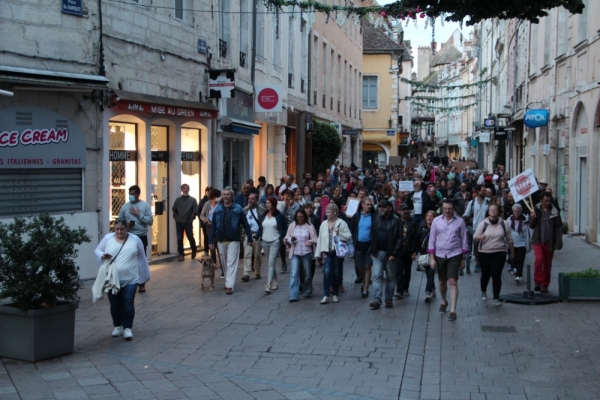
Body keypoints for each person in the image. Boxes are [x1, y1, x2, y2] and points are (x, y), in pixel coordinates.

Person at [94, 219, 151, 340]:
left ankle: (128, 328)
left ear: (127, 228)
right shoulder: (108, 238)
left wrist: (144, 276)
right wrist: (102, 255)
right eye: (117, 229)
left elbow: (142, 258)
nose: (119, 232)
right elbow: (97, 251)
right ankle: (117, 326)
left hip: (131, 278)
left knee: (128, 302)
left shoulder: (135, 239)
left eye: (122, 229)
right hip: (112, 279)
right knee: (115, 304)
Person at [428, 198, 469, 321]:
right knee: (442, 281)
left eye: (449, 209)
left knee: (453, 281)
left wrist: (463, 258)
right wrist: (432, 258)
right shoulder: (436, 221)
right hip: (440, 254)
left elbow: (464, 239)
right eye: (445, 208)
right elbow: (432, 239)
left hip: (454, 253)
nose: (447, 211)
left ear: (454, 208)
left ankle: (453, 309)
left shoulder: (460, 221)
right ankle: (443, 300)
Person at [208, 187, 253, 295]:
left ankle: (229, 285)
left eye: (228, 194)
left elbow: (245, 224)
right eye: (224, 195)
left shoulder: (238, 209)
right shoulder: (218, 209)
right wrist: (210, 241)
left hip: (234, 240)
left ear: (232, 196)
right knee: (224, 263)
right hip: (221, 240)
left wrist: (250, 238)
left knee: (231, 263)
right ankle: (228, 281)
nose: (226, 196)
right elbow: (213, 226)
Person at [473, 204, 515, 306]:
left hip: (499, 252)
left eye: (495, 210)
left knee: (496, 275)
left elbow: (509, 239)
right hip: (485, 253)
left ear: (498, 211)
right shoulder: (483, 224)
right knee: (486, 275)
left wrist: (512, 252)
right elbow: (474, 237)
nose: (493, 211)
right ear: (488, 212)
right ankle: (483, 290)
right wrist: (480, 237)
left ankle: (496, 297)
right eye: (491, 210)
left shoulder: (504, 224)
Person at [118, 185, 153, 293]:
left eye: (133, 194)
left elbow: (150, 221)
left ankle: (141, 284)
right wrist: (126, 225)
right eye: (130, 194)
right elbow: (119, 221)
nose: (131, 196)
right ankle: (127, 282)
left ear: (138, 194)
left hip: (141, 236)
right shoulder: (124, 207)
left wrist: (139, 215)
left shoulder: (145, 205)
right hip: (128, 236)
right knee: (127, 260)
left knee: (141, 261)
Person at [314, 203, 352, 304]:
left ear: (335, 212)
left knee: (336, 272)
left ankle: (335, 294)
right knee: (326, 273)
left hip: (337, 252)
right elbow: (320, 239)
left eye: (329, 212)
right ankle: (326, 295)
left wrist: (339, 232)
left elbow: (348, 236)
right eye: (326, 212)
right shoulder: (323, 224)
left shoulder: (342, 223)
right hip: (326, 252)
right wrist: (318, 253)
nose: (327, 214)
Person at [368, 200, 401, 310]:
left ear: (390, 208)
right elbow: (372, 235)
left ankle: (388, 299)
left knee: (390, 277)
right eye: (381, 207)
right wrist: (372, 251)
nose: (382, 209)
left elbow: (400, 238)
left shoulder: (396, 220)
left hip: (390, 254)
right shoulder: (377, 219)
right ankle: (377, 299)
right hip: (377, 252)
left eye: (384, 207)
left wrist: (394, 253)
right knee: (377, 276)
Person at [529, 192, 563, 293]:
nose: (547, 203)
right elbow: (531, 225)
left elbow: (559, 227)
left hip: (549, 241)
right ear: (541, 200)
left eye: (549, 201)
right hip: (538, 240)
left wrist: (558, 241)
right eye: (545, 201)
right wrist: (533, 217)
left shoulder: (554, 211)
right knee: (539, 259)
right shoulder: (535, 209)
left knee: (547, 264)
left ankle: (545, 284)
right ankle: (538, 282)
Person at [284, 209, 318, 301]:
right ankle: (293, 295)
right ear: (296, 217)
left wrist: (310, 241)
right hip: (295, 253)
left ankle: (307, 291)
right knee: (294, 274)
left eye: (302, 217)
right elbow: (286, 238)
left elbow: (315, 239)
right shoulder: (292, 226)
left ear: (305, 217)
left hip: (306, 252)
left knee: (307, 274)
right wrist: (291, 239)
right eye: (298, 217)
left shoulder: (310, 226)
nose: (300, 219)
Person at [258, 197, 287, 294]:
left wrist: (282, 236)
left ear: (273, 204)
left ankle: (268, 284)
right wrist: (256, 236)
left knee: (271, 261)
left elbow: (284, 227)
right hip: (265, 241)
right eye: (266, 203)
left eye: (269, 203)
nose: (267, 204)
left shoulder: (279, 215)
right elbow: (261, 227)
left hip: (275, 241)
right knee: (270, 262)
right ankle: (275, 281)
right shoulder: (264, 215)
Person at [351, 197, 376, 299]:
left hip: (369, 245)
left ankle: (366, 289)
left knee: (368, 266)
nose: (369, 206)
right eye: (367, 204)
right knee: (359, 267)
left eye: (370, 205)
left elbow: (375, 232)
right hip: (358, 245)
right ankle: (365, 279)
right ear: (362, 205)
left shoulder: (374, 217)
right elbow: (352, 229)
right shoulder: (356, 216)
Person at [463, 184, 490, 273]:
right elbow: (466, 214)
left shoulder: (488, 201)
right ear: (477, 191)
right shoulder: (472, 202)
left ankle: (486, 263)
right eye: (482, 190)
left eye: (485, 190)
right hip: (476, 228)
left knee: (487, 246)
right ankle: (478, 264)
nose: (484, 192)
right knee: (477, 247)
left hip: (488, 228)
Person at [395, 203, 418, 299]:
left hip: (409, 250)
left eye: (407, 209)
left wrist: (414, 250)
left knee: (407, 270)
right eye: (403, 210)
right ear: (399, 211)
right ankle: (399, 290)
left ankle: (405, 288)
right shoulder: (396, 222)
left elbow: (416, 238)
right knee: (399, 270)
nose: (406, 211)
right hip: (399, 250)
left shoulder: (412, 223)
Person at [172, 184, 199, 262]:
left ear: (189, 189)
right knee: (180, 238)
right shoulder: (178, 200)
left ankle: (194, 249)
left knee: (190, 237)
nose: (185, 189)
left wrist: (191, 219)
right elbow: (174, 210)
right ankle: (181, 254)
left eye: (187, 188)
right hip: (179, 222)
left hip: (188, 222)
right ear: (181, 189)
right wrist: (176, 218)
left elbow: (195, 211)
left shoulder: (192, 200)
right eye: (184, 188)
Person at [242, 192, 264, 281]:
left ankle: (257, 271)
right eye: (249, 199)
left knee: (257, 254)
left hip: (257, 234)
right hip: (248, 234)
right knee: (247, 253)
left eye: (252, 199)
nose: (250, 200)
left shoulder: (262, 210)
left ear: (257, 200)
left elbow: (263, 224)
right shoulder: (245, 210)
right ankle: (246, 273)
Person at [507, 204, 532, 283]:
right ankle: (515, 269)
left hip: (522, 243)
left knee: (520, 260)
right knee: (513, 258)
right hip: (512, 243)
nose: (516, 213)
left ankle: (519, 276)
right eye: (515, 211)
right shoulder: (509, 220)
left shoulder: (525, 220)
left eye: (518, 211)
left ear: (521, 211)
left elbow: (530, 230)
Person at [416, 210, 437, 302]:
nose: (429, 218)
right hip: (424, 254)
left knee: (431, 273)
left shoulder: (437, 228)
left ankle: (428, 292)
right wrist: (415, 252)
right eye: (427, 216)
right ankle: (432, 289)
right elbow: (417, 240)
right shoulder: (421, 228)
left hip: (434, 254)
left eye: (431, 216)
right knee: (428, 274)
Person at [198, 186, 212, 256]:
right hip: (205, 223)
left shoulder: (214, 201)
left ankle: (212, 252)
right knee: (206, 237)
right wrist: (202, 221)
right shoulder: (202, 201)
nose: (209, 193)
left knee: (212, 238)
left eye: (210, 191)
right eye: (208, 191)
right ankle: (206, 250)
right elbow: (199, 212)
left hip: (212, 223)